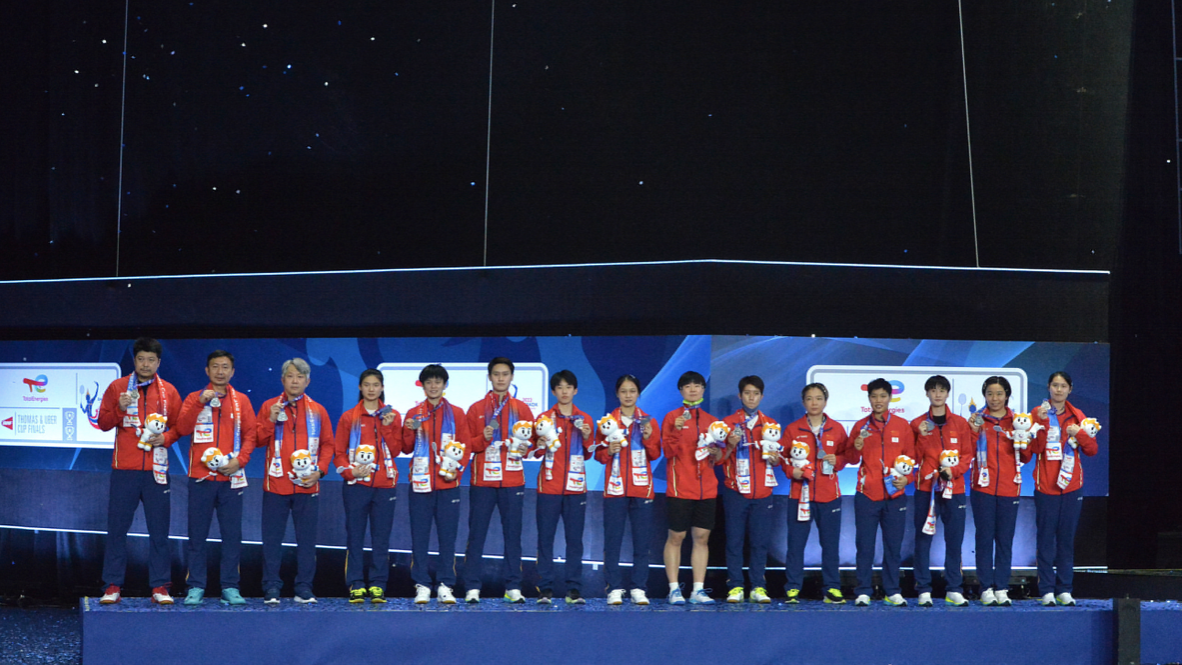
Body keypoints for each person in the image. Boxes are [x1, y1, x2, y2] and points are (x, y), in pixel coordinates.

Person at [96, 337, 183, 605]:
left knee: (159, 532)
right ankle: (112, 585)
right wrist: (120, 408)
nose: (146, 364)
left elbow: (179, 427)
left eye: (151, 360)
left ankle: (160, 587)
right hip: (125, 470)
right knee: (117, 530)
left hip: (157, 471)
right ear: (134, 361)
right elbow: (103, 423)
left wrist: (165, 438)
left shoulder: (169, 391)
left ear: (159, 362)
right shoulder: (118, 387)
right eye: (141, 359)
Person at [174, 350, 256, 606]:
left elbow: (251, 436)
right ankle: (196, 586)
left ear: (232, 372)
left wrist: (239, 461)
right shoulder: (193, 398)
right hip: (201, 479)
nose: (220, 371)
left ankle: (230, 586)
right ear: (207, 371)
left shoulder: (242, 401)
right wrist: (200, 403)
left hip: (231, 480)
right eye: (215, 367)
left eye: (225, 367)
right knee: (197, 535)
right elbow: (182, 428)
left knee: (232, 536)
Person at [256, 358, 336, 604]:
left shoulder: (318, 410)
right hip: (276, 485)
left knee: (307, 541)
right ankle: (271, 587)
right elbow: (257, 440)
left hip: (307, 485)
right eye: (290, 376)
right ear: (283, 379)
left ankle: (304, 588)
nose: (294, 381)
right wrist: (269, 420)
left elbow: (328, 445)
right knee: (271, 540)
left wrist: (320, 471)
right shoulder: (269, 406)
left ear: (307, 381)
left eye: (300, 377)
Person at [463, 358, 534, 603]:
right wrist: (482, 438)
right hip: (482, 482)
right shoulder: (476, 409)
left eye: (505, 374)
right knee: (476, 535)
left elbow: (532, 442)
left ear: (512, 377)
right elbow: (467, 445)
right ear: (490, 377)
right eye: (496, 374)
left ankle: (513, 586)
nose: (501, 378)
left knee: (513, 536)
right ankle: (472, 586)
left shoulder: (522, 409)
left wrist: (526, 448)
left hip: (512, 481)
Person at [401, 364, 471, 604]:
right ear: (422, 385)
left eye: (437, 382)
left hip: (448, 485)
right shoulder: (413, 413)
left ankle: (445, 585)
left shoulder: (457, 413)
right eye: (429, 382)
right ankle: (421, 584)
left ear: (445, 385)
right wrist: (410, 430)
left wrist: (456, 472)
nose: (433, 386)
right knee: (419, 537)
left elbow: (465, 447)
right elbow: (406, 448)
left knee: (447, 538)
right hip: (420, 485)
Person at [1029, 371, 1099, 607]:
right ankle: (1046, 590)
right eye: (1055, 385)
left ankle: (1064, 589)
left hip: (1071, 486)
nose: (1058, 390)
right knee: (1045, 541)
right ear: (1048, 387)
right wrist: (1040, 423)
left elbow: (1092, 450)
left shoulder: (1078, 416)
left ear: (1070, 389)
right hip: (1046, 487)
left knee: (1066, 541)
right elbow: (1033, 449)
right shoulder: (1037, 413)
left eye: (1063, 386)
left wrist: (1079, 434)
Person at [333, 369, 401, 604]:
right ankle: (356, 583)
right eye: (367, 385)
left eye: (376, 385)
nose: (371, 389)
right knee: (355, 536)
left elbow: (396, 450)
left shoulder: (392, 416)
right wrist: (350, 472)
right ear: (360, 388)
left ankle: (378, 584)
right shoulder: (349, 417)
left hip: (385, 485)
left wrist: (388, 427)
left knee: (381, 538)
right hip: (356, 486)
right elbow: (339, 453)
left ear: (382, 388)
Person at [848, 378, 916, 607]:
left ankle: (892, 591)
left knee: (893, 546)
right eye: (874, 396)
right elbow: (850, 459)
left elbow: (912, 460)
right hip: (867, 495)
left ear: (890, 398)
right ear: (869, 399)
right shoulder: (860, 427)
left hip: (895, 496)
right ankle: (863, 591)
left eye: (883, 396)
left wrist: (907, 479)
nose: (878, 400)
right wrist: (855, 447)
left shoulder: (902, 425)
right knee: (864, 546)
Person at [594, 374, 661, 606]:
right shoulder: (607, 422)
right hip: (615, 490)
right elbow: (598, 456)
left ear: (638, 393)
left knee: (642, 543)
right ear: (617, 394)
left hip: (642, 489)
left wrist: (649, 437)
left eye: (632, 391)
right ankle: (613, 588)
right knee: (612, 541)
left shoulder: (648, 421)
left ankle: (639, 588)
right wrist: (608, 451)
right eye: (623, 391)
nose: (628, 395)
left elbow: (655, 454)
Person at [909, 375, 973, 607]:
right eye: (933, 390)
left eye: (942, 390)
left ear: (947, 394)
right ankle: (923, 589)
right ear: (927, 393)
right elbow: (911, 458)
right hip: (926, 488)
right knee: (923, 538)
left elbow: (967, 455)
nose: (937, 394)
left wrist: (953, 471)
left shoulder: (960, 423)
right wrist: (921, 436)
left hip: (954, 489)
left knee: (954, 539)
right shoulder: (917, 424)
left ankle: (954, 588)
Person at [783, 382, 850, 604]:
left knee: (830, 545)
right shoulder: (793, 429)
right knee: (795, 544)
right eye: (810, 398)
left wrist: (837, 460)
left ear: (825, 401)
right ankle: (793, 588)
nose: (814, 403)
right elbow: (782, 458)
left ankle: (832, 588)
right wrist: (791, 471)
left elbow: (847, 456)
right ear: (803, 402)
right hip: (799, 496)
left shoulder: (836, 428)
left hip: (829, 495)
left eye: (819, 398)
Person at [660, 371, 723, 605]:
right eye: (688, 386)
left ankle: (698, 589)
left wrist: (716, 452)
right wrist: (676, 429)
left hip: (707, 489)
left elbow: (719, 458)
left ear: (703, 390)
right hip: (680, 488)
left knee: (702, 537)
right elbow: (667, 452)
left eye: (697, 385)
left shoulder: (712, 421)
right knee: (676, 536)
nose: (693, 389)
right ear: (681, 391)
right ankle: (673, 589)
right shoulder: (671, 418)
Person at [531, 369, 593, 604]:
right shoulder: (544, 419)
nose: (564, 391)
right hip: (549, 487)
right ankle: (545, 588)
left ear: (575, 390)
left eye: (568, 387)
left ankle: (574, 589)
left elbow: (589, 454)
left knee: (575, 540)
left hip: (576, 488)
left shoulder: (585, 419)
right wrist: (539, 443)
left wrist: (586, 437)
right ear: (553, 391)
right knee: (545, 539)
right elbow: (535, 452)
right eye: (560, 387)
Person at [967, 376, 1028, 607]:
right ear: (984, 395)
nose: (994, 398)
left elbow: (1027, 456)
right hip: (982, 487)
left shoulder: (1017, 421)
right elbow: (966, 450)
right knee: (984, 539)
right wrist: (973, 431)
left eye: (999, 393)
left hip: (1009, 488)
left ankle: (1002, 587)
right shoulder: (976, 420)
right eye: (990, 393)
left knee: (1005, 540)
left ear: (1007, 395)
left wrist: (1023, 438)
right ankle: (985, 588)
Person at [719, 376, 780, 604]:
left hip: (763, 493)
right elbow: (718, 459)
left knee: (760, 542)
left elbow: (778, 461)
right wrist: (730, 445)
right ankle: (735, 586)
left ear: (762, 396)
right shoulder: (727, 424)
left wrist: (775, 459)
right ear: (740, 396)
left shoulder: (771, 425)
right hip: (735, 491)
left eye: (755, 393)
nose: (751, 397)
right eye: (747, 393)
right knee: (734, 541)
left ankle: (758, 587)